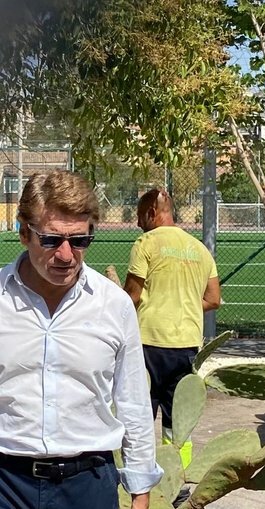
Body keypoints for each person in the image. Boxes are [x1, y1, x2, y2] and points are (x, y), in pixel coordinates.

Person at [0, 171, 162, 509]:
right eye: (51, 240)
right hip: (7, 483)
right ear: (24, 233)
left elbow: (132, 401)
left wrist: (141, 489)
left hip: (89, 484)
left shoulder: (113, 305)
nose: (65, 255)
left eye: (79, 241)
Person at [123, 188, 220, 469]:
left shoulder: (146, 243)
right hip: (187, 345)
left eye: (141, 216)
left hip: (148, 343)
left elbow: (132, 296)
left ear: (152, 212)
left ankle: (137, 478)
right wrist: (183, 304)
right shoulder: (199, 249)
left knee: (139, 416)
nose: (139, 223)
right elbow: (214, 299)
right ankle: (177, 482)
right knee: (177, 419)